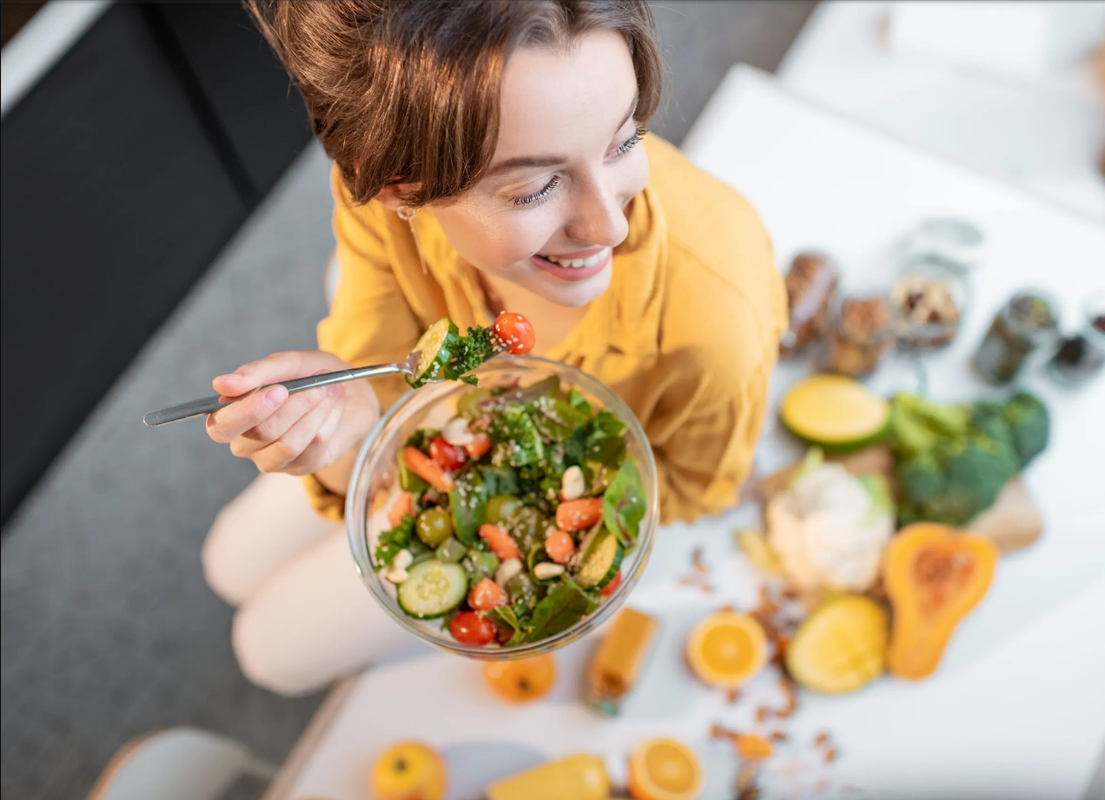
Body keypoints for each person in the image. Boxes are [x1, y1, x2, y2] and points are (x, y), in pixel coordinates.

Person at [202, 0, 786, 696]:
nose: (610, 225)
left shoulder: (715, 323)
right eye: (537, 185)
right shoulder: (376, 196)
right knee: (227, 561)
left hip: (554, 522)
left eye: (625, 138)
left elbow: (686, 491)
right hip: (430, 432)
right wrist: (344, 434)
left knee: (267, 651)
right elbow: (379, 390)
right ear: (398, 189)